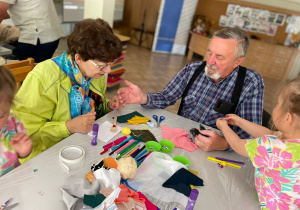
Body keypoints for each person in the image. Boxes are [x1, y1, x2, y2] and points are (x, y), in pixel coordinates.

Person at [118, 28, 264, 152]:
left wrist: (225, 144)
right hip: (182, 141)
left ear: (238, 61)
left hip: (216, 152)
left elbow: (252, 136)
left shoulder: (250, 82)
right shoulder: (192, 70)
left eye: (219, 57)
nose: (211, 61)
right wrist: (143, 97)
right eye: (209, 53)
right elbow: (166, 96)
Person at [13, 18, 123, 163]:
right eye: (102, 65)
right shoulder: (43, 78)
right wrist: (68, 127)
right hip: (45, 156)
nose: (108, 70)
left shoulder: (96, 73)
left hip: (82, 146)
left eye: (110, 63)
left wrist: (108, 106)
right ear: (78, 58)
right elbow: (26, 133)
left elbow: (93, 103)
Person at [216, 77, 300, 209]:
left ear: (287, 118)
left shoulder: (272, 146)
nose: (275, 108)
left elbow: (238, 145)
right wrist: (239, 121)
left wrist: (224, 127)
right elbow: (269, 133)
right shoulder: (291, 141)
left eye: (278, 105)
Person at [0, 65, 32, 176]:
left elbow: (21, 154)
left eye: (0, 116)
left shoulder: (13, 121)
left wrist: (24, 151)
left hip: (13, 181)